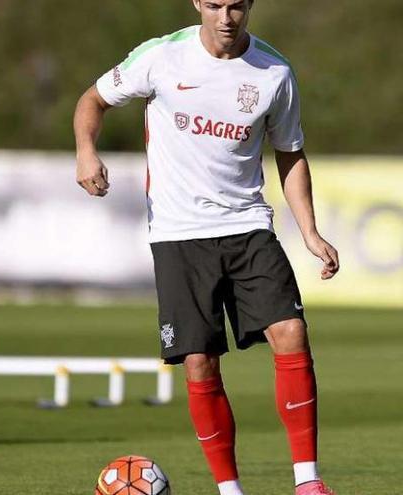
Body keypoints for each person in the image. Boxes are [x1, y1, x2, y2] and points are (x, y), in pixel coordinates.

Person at [73, 1, 339, 494]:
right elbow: (93, 100)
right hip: (178, 234)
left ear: (250, 5)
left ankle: (308, 482)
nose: (226, 16)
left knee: (291, 332)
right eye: (214, 4)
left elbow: (290, 152)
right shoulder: (160, 57)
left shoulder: (274, 72)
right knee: (199, 361)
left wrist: (309, 231)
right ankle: (229, 490)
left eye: (236, 4)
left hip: (248, 225)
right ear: (198, 3)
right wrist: (87, 151)